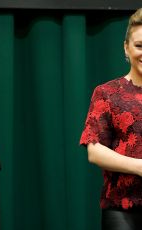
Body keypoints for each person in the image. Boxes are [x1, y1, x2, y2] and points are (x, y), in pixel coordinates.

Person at [80, 8, 142, 230]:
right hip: (121, 210)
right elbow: (94, 151)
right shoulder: (107, 92)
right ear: (126, 47)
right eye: (139, 45)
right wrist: (140, 167)